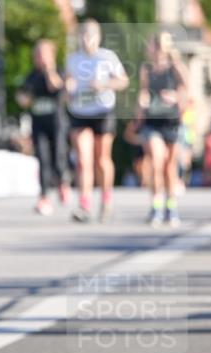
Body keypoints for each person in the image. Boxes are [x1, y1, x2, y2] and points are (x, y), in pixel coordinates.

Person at [65, 19, 129, 223]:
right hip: (80, 111)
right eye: (82, 35)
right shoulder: (73, 59)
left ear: (98, 37)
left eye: (90, 35)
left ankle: (106, 199)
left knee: (102, 159)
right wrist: (68, 87)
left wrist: (104, 84)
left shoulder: (107, 57)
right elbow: (67, 82)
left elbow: (123, 80)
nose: (86, 40)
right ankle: (84, 204)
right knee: (83, 159)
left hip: (102, 110)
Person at [138, 32, 188, 227]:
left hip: (171, 121)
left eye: (156, 46)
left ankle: (171, 206)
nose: (153, 49)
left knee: (170, 166)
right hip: (152, 121)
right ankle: (156, 206)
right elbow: (143, 91)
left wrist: (175, 97)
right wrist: (141, 106)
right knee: (156, 162)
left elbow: (187, 92)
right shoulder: (146, 69)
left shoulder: (176, 68)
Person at [16, 39, 69, 215]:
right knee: (43, 158)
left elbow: (58, 87)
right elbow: (23, 98)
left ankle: (62, 181)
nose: (39, 58)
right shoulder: (31, 76)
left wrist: (49, 70)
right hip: (39, 124)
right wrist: (24, 98)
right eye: (37, 55)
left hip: (57, 123)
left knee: (59, 155)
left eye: (43, 54)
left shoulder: (58, 71)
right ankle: (44, 197)